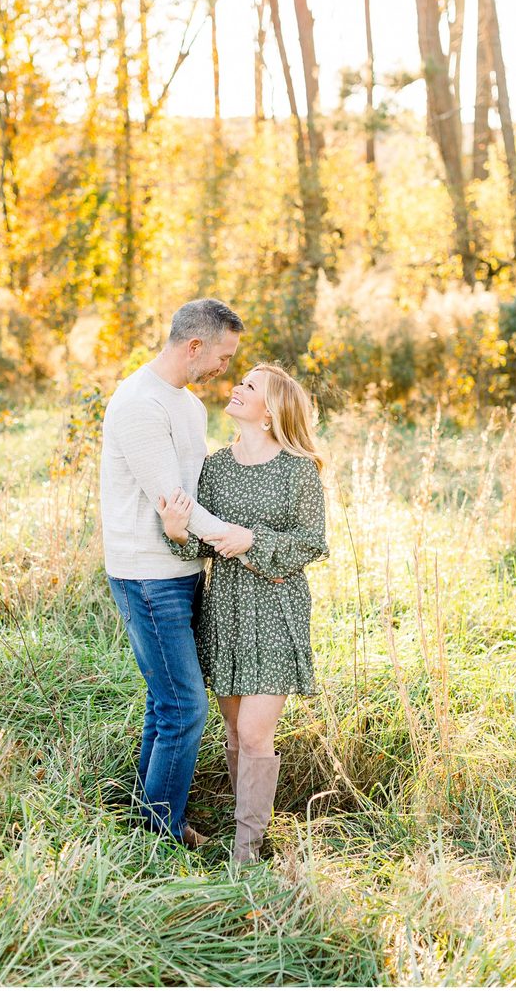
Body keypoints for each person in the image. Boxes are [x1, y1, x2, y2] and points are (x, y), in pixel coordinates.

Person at [158, 363, 329, 863]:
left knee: (255, 731)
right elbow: (201, 548)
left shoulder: (299, 469)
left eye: (249, 386)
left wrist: (253, 540)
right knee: (233, 730)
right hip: (225, 606)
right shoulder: (215, 468)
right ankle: (244, 827)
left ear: (271, 410)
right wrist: (175, 532)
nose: (236, 388)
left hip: (276, 609)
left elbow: (312, 542)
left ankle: (247, 851)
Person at [100, 298, 252, 848]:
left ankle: (144, 814)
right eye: (224, 356)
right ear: (195, 347)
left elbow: (198, 488)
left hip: (183, 567)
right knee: (186, 705)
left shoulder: (187, 405)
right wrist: (240, 540)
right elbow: (175, 502)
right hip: (146, 573)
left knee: (165, 701)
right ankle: (160, 834)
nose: (226, 370)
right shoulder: (139, 403)